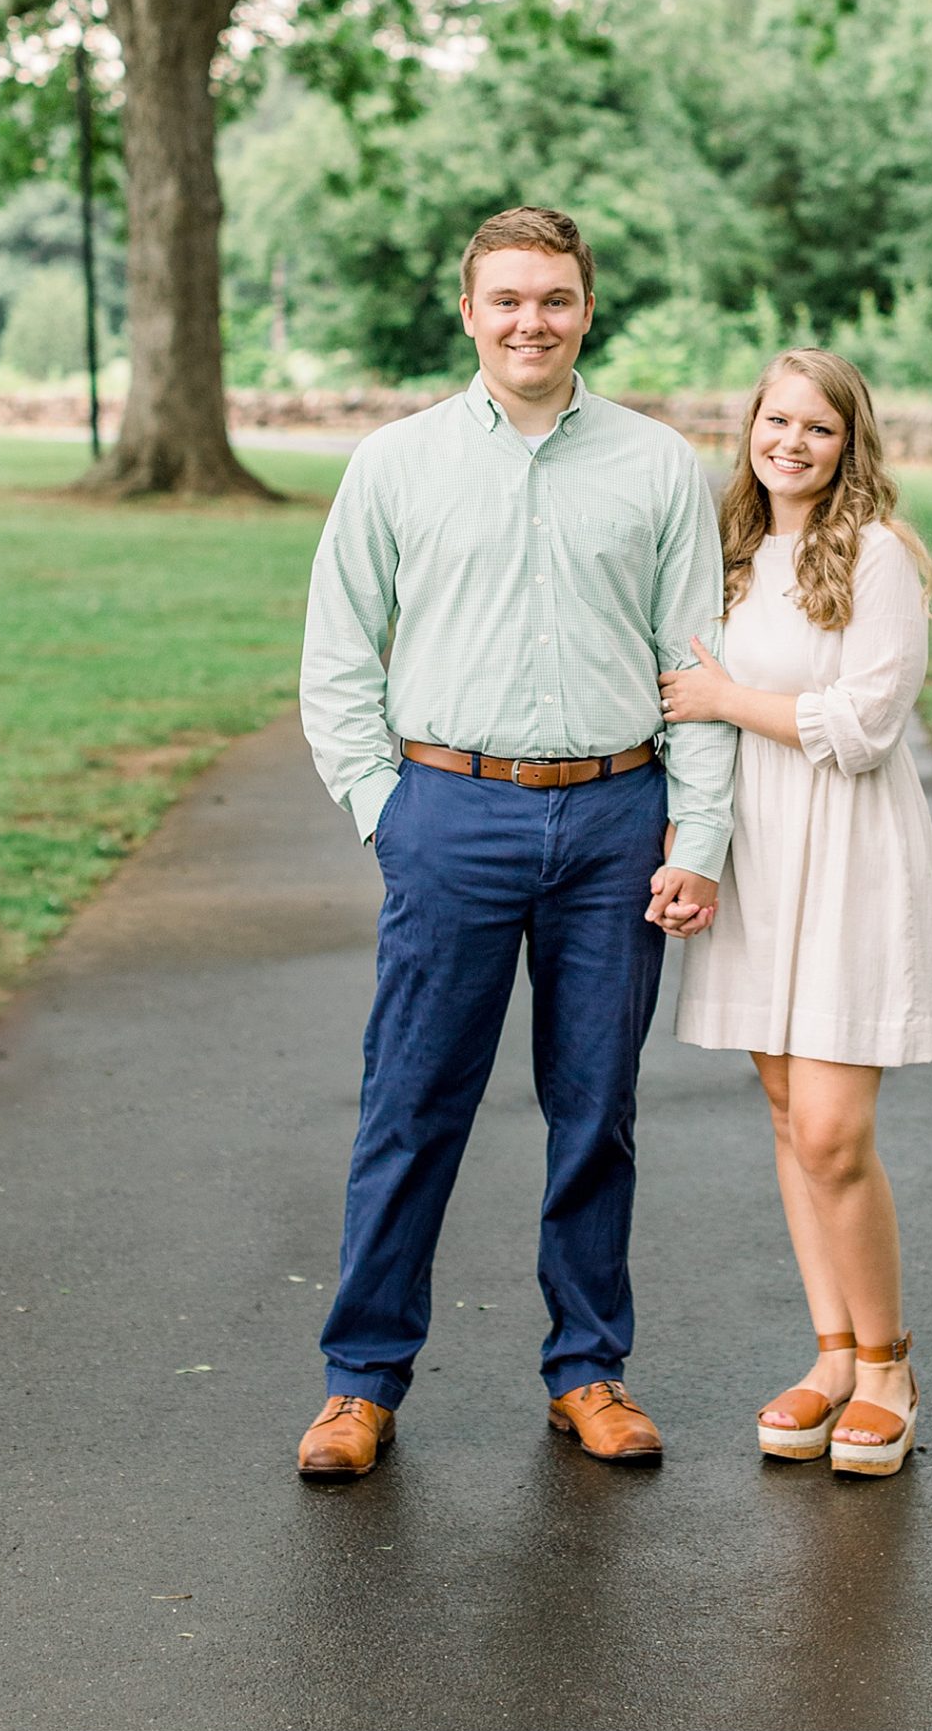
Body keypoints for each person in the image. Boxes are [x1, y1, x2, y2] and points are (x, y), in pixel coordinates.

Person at [296, 206, 734, 1477]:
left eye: (553, 297)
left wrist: (696, 833)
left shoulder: (657, 467)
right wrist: (387, 812)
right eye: (507, 300)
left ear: (587, 306)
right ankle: (360, 1382)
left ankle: (588, 1370)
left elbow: (692, 664)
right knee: (410, 1103)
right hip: (450, 812)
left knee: (595, 1106)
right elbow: (336, 657)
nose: (530, 320)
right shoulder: (397, 463)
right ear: (470, 311)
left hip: (615, 818)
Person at [660, 348, 932, 1480]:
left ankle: (888, 1367)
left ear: (849, 443)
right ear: (749, 429)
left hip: (851, 856)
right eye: (775, 421)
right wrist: (694, 848)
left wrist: (730, 696)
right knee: (786, 1115)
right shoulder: (727, 557)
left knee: (833, 1129)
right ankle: (830, 1356)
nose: (791, 442)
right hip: (759, 857)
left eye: (817, 428)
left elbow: (868, 724)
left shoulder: (877, 555)